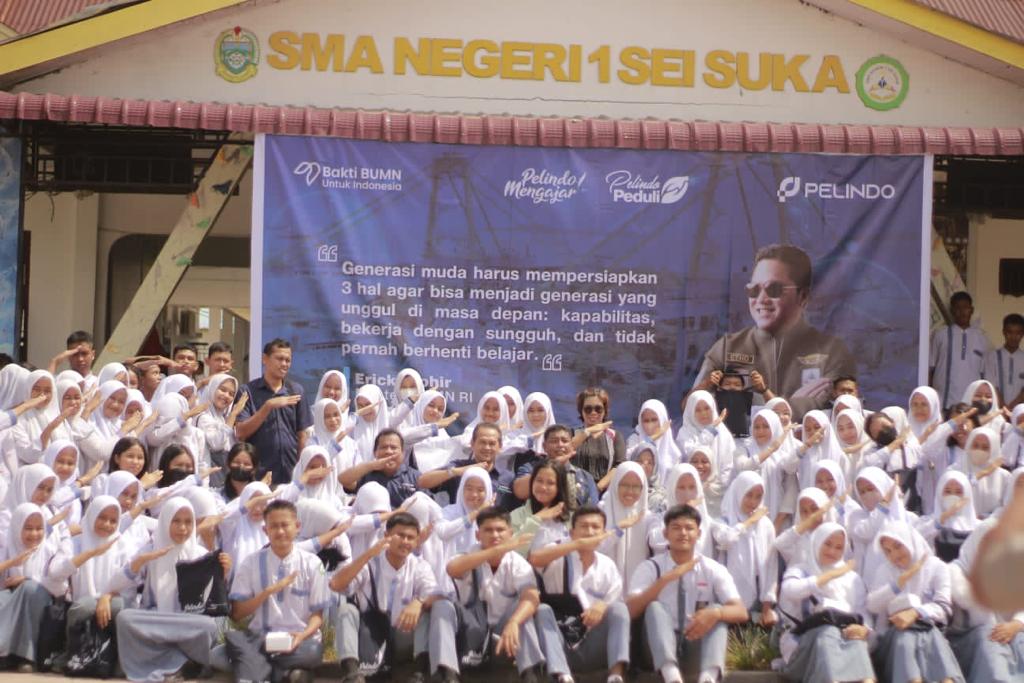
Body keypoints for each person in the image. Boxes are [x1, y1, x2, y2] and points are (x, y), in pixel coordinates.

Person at [694, 244, 857, 419]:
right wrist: (794, 405)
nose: (761, 299)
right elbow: (694, 406)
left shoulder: (832, 352)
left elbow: (844, 413)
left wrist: (742, 402)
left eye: (774, 290)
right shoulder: (727, 348)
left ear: (802, 296)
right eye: (754, 290)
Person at [107, 497, 231, 681]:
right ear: (165, 521)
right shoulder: (150, 550)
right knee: (125, 618)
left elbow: (215, 604)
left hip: (188, 624)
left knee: (209, 625)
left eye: (188, 522)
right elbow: (115, 585)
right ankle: (182, 662)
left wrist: (223, 574)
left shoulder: (201, 555)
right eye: (176, 521)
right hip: (155, 620)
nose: (183, 528)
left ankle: (172, 661)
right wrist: (139, 562)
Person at [330, 512, 458, 683]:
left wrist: (419, 602)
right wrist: (368, 554)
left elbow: (438, 594)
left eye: (410, 537)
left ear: (416, 541)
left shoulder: (419, 566)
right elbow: (335, 585)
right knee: (347, 610)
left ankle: (420, 673)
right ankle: (352, 673)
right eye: (400, 535)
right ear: (386, 536)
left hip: (403, 637)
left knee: (428, 610)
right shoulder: (370, 563)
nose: (405, 541)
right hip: (370, 634)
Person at [626, 504, 748, 683]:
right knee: (655, 608)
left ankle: (709, 677)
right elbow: (630, 610)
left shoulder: (712, 568)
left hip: (694, 640)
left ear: (699, 533)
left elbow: (741, 611)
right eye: (676, 528)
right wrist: (664, 580)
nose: (683, 533)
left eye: (689, 528)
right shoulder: (650, 567)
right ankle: (671, 675)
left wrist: (716, 613)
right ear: (665, 533)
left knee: (717, 612)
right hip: (656, 650)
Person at [226, 499, 330, 683]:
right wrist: (267, 592)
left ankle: (260, 668)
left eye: (285, 525)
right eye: (274, 526)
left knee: (313, 652)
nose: (280, 531)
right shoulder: (251, 563)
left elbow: (317, 616)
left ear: (297, 527)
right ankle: (287, 674)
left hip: (299, 642)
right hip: (261, 639)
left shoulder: (312, 563)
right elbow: (237, 614)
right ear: (265, 530)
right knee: (218, 655)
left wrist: (302, 636)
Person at [529, 505, 630, 683]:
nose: (590, 532)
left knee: (620, 609)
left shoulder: (607, 566)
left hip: (592, 641)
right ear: (572, 532)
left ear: (603, 533)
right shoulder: (558, 551)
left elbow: (615, 599)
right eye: (584, 526)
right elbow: (535, 558)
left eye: (595, 527)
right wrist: (577, 544)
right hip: (558, 643)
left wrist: (603, 606)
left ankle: (616, 676)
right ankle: (562, 676)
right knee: (542, 610)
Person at [445, 507, 548, 682]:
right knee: (443, 606)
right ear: (478, 535)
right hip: (472, 634)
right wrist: (496, 550)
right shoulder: (467, 556)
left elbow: (532, 597)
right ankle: (448, 675)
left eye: (500, 530)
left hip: (505, 636)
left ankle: (529, 674)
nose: (495, 535)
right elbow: (452, 569)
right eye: (488, 530)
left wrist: (514, 622)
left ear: (510, 533)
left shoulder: (518, 563)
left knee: (525, 610)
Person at [865, 521, 964, 683]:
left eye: (898, 546)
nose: (894, 555)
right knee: (908, 634)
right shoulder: (884, 570)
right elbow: (872, 605)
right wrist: (898, 584)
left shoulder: (937, 566)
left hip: (931, 633)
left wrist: (916, 613)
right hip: (893, 638)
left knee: (923, 629)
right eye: (888, 551)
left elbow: (944, 608)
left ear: (909, 541)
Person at [777, 523, 875, 683]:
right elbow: (790, 591)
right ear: (817, 542)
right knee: (828, 631)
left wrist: (863, 629)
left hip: (843, 643)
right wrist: (830, 576)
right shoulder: (800, 571)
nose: (832, 551)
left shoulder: (852, 579)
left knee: (854, 638)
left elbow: (862, 612)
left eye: (838, 547)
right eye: (827, 544)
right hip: (802, 648)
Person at [235, 339, 311, 485]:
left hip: (291, 475)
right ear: (265, 359)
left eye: (288, 360)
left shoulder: (296, 391)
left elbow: (302, 435)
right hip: (259, 476)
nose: (284, 364)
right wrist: (268, 406)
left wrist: (301, 468)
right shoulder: (248, 391)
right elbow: (241, 432)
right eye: (279, 359)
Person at [930, 292, 991, 410]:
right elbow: (930, 369)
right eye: (958, 308)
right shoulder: (941, 335)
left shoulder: (982, 339)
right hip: (944, 403)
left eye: (965, 308)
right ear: (952, 311)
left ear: (971, 310)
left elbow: (985, 375)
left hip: (972, 405)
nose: (962, 312)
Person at [339, 429, 423, 509]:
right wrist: (371, 465)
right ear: (375, 452)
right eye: (384, 447)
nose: (389, 451)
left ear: (402, 453)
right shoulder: (367, 474)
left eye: (393, 447)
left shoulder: (415, 476)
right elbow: (344, 480)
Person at [571, 388, 626, 483]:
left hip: (604, 489)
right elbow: (565, 451)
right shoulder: (572, 433)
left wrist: (597, 488)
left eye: (598, 409)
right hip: (576, 487)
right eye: (588, 409)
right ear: (581, 411)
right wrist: (588, 431)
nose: (593, 413)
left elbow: (619, 466)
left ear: (605, 411)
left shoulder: (615, 436)